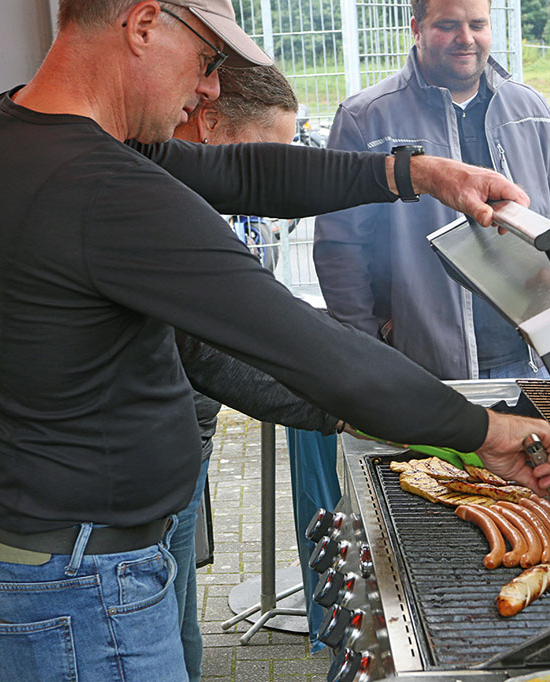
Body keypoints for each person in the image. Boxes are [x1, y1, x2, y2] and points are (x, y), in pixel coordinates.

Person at [0, 1, 550, 680]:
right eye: (208, 60)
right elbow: (303, 344)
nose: (211, 88)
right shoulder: (101, 189)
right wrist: (482, 429)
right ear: (143, 24)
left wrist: (418, 175)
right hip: (85, 577)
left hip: (46, 542)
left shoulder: (9, 129)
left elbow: (247, 174)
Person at [313, 0, 550, 381]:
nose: (466, 39)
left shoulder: (528, 108)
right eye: (448, 25)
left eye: (477, 24)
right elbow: (340, 249)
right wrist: (371, 352)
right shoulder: (366, 119)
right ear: (416, 29)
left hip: (535, 360)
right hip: (425, 368)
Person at [169, 64, 320, 681]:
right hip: (141, 481)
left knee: (182, 634)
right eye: (266, 155)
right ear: (208, 122)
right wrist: (345, 401)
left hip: (185, 450)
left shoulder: (201, 200)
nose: (273, 178)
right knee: (172, 645)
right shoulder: (172, 213)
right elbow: (211, 353)